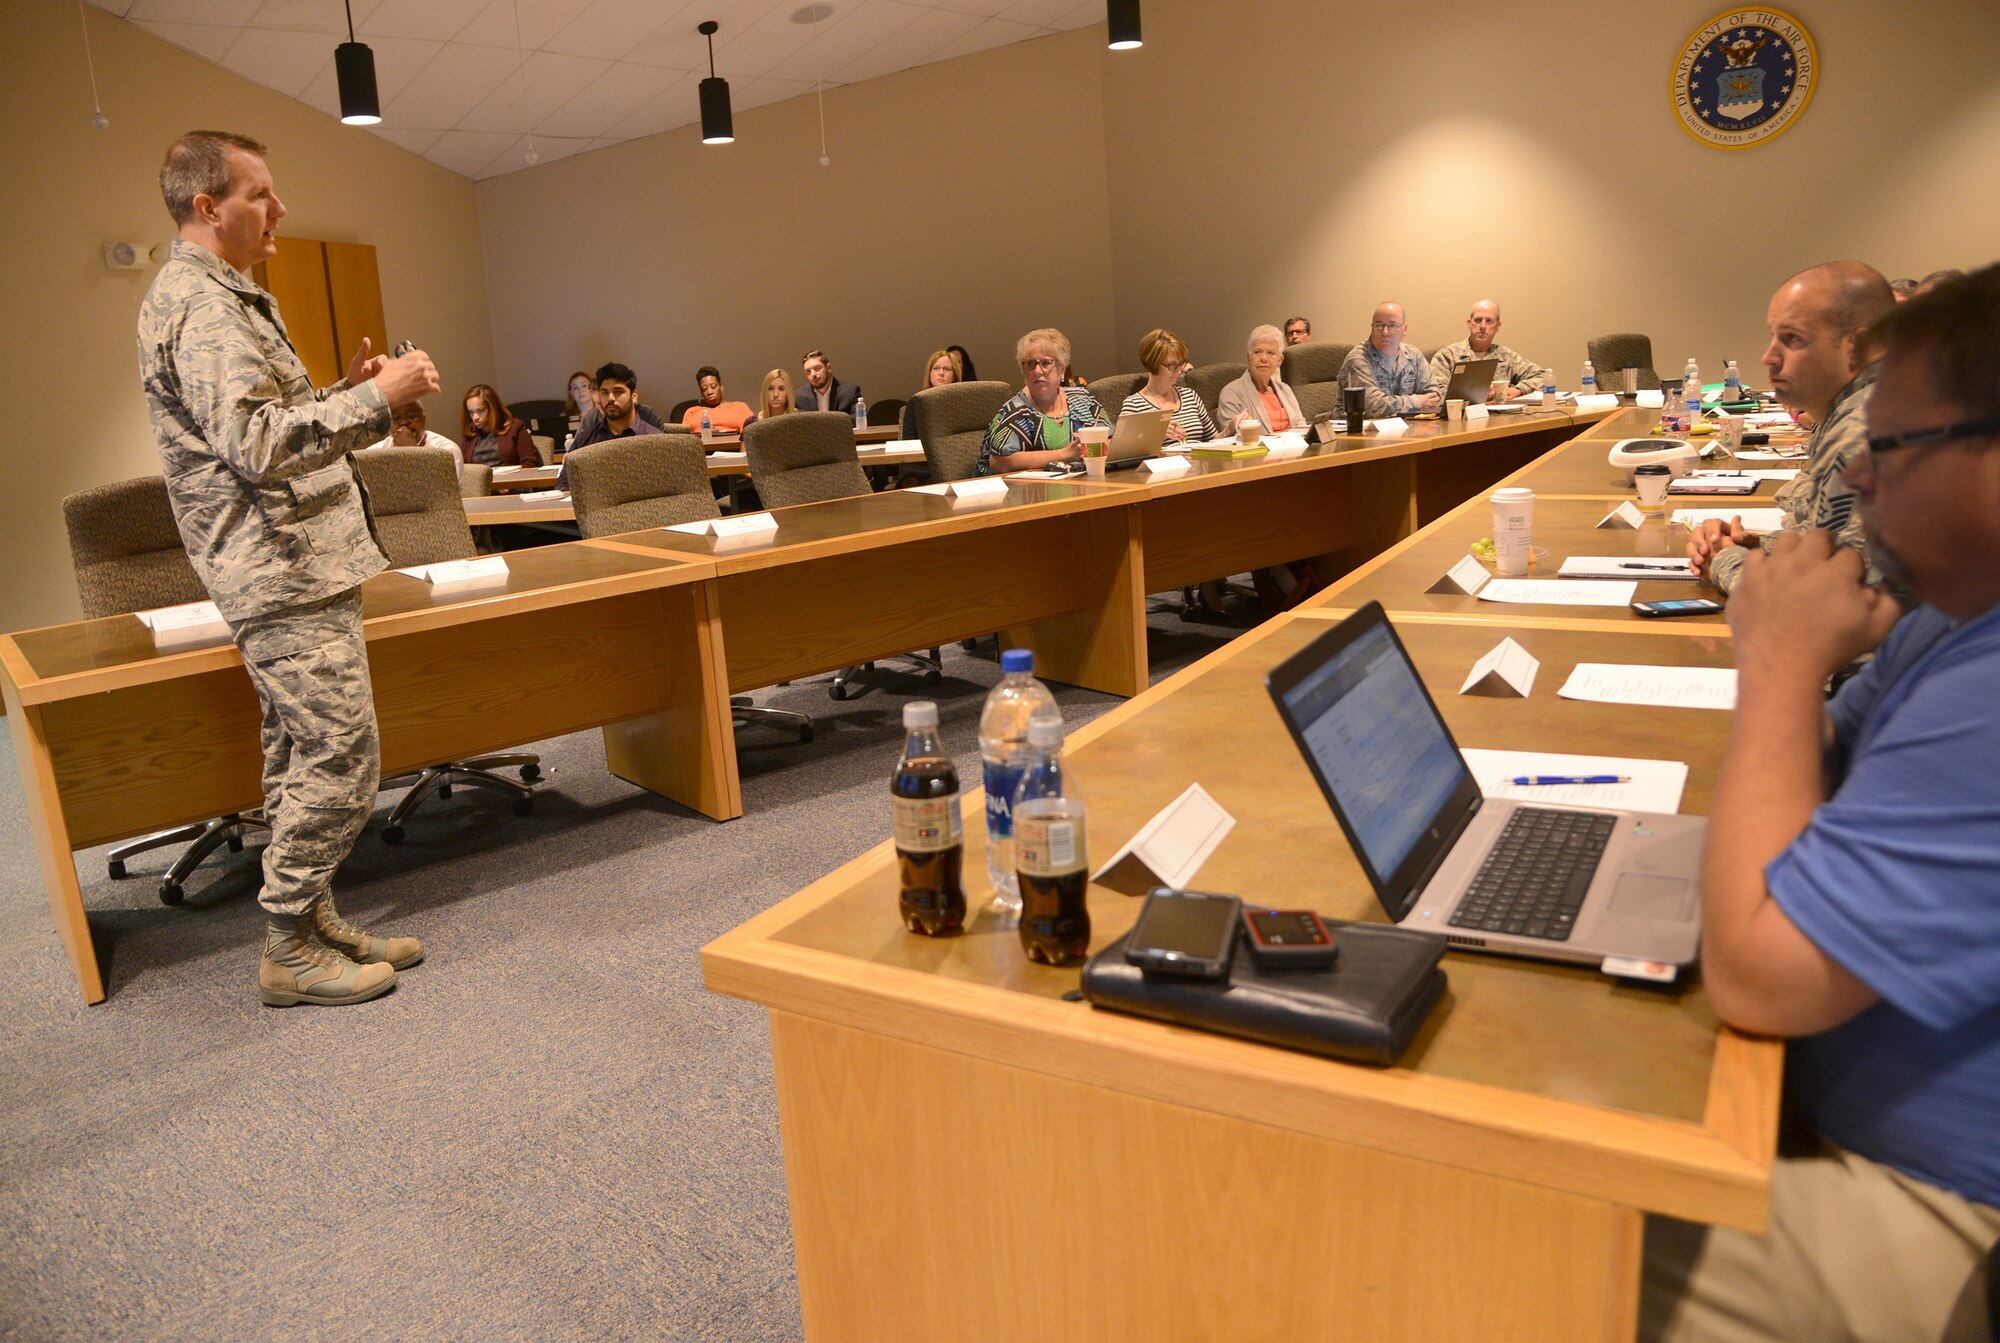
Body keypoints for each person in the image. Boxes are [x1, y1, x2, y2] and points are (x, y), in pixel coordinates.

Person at [1640, 265, 2000, 1343]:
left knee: (1517, 1216)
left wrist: (1780, 658)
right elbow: (1815, 780)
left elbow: (1757, 974)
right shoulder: (1953, 609)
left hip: (1938, 1206)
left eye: (1889, 445)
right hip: (1833, 1110)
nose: (1854, 469)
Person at [137, 130, 438, 1006]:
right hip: (277, 570)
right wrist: (378, 398)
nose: (279, 210)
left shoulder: (219, 296)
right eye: (260, 195)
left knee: (298, 751)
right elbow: (257, 444)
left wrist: (345, 393)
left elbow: (271, 423)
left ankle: (312, 918)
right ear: (207, 208)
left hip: (292, 561)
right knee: (344, 755)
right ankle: (284, 947)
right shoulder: (202, 305)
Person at [1687, 262, 1897, 596]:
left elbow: (1821, 603)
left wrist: (1725, 561)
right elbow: (1835, 544)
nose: (1768, 357)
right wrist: (1758, 546)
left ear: (1855, 346)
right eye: (1773, 336)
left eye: (1792, 339)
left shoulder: (1864, 432)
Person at [978, 327, 1107, 475]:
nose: (1037, 371)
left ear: (1062, 369)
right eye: (1030, 364)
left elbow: (1113, 440)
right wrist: (1065, 454)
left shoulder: (1083, 400)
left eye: (1045, 363)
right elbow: (1001, 463)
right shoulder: (1014, 412)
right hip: (1024, 493)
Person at [558, 361, 665, 487]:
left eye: (618, 391)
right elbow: (564, 483)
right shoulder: (584, 440)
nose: (610, 398)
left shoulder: (655, 439)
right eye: (604, 392)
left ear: (634, 396)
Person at [1427, 300, 1546, 403]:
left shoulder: (1506, 356)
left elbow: (1543, 377)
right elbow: (1436, 394)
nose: (1483, 326)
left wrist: (1518, 390)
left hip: (1502, 421)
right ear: (1469, 323)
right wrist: (1477, 394)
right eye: (1478, 320)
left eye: (1489, 321)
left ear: (1498, 326)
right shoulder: (1447, 356)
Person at [1340, 302, 1441, 418]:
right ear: (1372, 327)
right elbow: (1374, 407)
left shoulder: (1413, 355)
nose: (1385, 332)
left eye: (1393, 325)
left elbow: (1433, 395)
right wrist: (1416, 401)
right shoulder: (1358, 359)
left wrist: (1410, 404)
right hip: (1357, 431)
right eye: (1379, 325)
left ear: (1405, 329)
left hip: (1406, 428)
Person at [1120, 329, 1215, 445]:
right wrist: (1154, 434)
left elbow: (1213, 440)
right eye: (1173, 365)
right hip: (1164, 462)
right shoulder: (1134, 405)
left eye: (1181, 363)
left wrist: (1229, 430)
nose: (1180, 371)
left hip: (1199, 461)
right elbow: (1123, 454)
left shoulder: (1190, 396)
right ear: (1153, 364)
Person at [1216, 324, 1305, 434]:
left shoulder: (1285, 389)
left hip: (1294, 449)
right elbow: (1230, 438)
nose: (1263, 358)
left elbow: (1301, 426)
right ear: (1249, 357)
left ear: (1280, 360)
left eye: (1270, 353)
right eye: (1257, 352)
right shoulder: (1231, 393)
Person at [459, 383, 540, 467]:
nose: (475, 417)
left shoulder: (515, 428)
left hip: (509, 478)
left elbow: (529, 463)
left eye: (480, 411)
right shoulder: (469, 434)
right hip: (480, 480)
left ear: (492, 409)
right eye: (471, 412)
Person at [902, 349, 960, 438]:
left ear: (954, 375)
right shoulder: (916, 403)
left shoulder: (962, 403)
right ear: (930, 373)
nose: (941, 373)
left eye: (946, 369)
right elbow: (908, 439)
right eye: (936, 368)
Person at [679, 365, 753, 434]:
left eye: (713, 387)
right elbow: (683, 439)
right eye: (704, 389)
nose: (709, 392)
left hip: (732, 446)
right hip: (700, 446)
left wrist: (719, 433)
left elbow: (750, 434)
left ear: (721, 387)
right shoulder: (692, 412)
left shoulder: (739, 407)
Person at [366, 401, 455, 451]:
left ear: (423, 419)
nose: (404, 422)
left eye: (412, 416)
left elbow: (436, 484)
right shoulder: (373, 453)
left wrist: (410, 450)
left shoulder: (447, 451)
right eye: (396, 418)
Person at [796, 349, 861, 416]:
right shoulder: (799, 397)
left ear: (828, 367)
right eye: (808, 371)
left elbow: (857, 421)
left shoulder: (850, 392)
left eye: (817, 368)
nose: (813, 374)